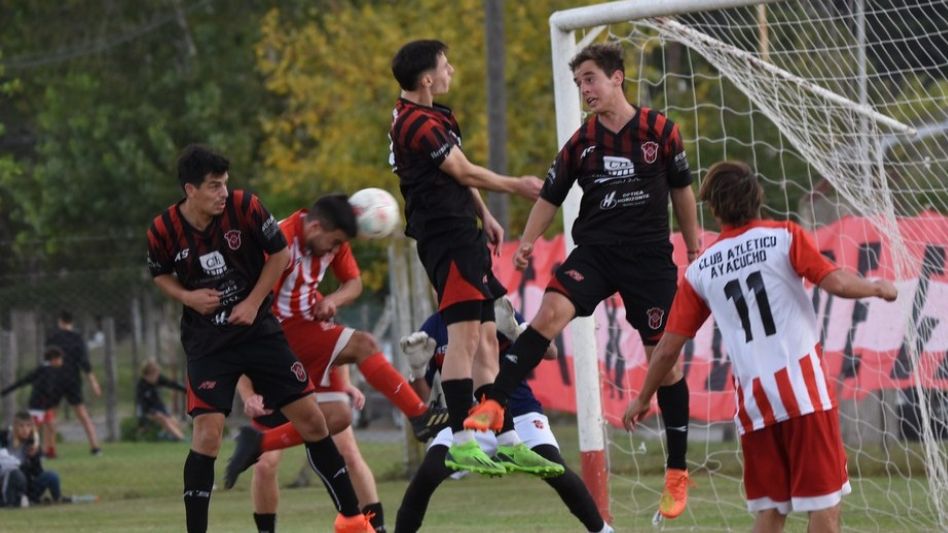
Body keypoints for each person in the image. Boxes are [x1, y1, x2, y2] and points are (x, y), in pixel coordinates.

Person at [465, 42, 700, 518]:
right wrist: (528, 241)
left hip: (649, 260)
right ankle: (492, 403)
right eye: (579, 83)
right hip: (594, 253)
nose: (585, 89)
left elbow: (682, 191)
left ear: (617, 78)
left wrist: (693, 247)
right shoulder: (582, 141)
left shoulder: (660, 131)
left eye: (590, 79)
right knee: (551, 311)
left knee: (666, 364)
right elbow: (550, 194)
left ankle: (676, 472)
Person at [623, 161, 899, 532]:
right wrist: (878, 288)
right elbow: (838, 284)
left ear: (715, 209)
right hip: (803, 396)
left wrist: (643, 398)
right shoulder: (785, 236)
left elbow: (668, 348)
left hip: (755, 405)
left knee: (771, 512)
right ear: (758, 197)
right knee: (825, 508)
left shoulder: (701, 269)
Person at [146, 144, 373, 533]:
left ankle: (352, 520)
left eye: (225, 184)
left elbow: (279, 255)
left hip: (260, 334)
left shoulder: (246, 207)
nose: (223, 193)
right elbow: (159, 273)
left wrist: (252, 303)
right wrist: (186, 296)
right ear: (190, 190)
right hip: (208, 343)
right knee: (208, 435)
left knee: (313, 423)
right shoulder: (163, 229)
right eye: (214, 186)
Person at [389, 39, 558, 477]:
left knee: (488, 338)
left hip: (466, 231)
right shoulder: (413, 124)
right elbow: (463, 171)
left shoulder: (439, 116)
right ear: (426, 79)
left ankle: (506, 439)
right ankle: (463, 442)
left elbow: (460, 172)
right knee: (463, 339)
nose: (451, 71)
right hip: (445, 238)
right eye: (445, 66)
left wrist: (485, 214)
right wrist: (517, 185)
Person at [223, 194, 449, 493]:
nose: (337, 249)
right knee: (364, 345)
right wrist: (253, 376)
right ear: (315, 227)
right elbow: (259, 305)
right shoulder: (280, 242)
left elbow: (354, 283)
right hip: (281, 335)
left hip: (308, 327)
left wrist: (332, 300)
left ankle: (258, 442)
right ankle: (420, 416)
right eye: (336, 242)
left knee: (337, 417)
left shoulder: (329, 236)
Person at [395, 302, 614, 533]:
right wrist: (417, 370)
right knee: (428, 473)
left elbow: (551, 352)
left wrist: (519, 333)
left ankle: (602, 530)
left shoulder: (495, 308)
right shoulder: (435, 326)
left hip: (518, 411)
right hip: (466, 420)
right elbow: (422, 400)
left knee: (556, 469)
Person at [238, 365, 386, 533]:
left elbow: (338, 346)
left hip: (318, 392)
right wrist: (248, 395)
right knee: (264, 465)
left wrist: (343, 383)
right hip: (276, 394)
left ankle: (377, 528)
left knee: (348, 453)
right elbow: (244, 353)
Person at [45, 311, 102, 456]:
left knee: (51, 415)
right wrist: (93, 382)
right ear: (71, 322)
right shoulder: (77, 338)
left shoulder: (53, 337)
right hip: (72, 380)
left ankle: (50, 449)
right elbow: (84, 362)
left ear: (60, 321)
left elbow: (46, 360)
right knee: (83, 414)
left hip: (55, 379)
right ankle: (95, 447)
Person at [0, 346, 66, 455]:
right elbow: (30, 383)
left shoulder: (47, 370)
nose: (62, 362)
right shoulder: (45, 370)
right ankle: (25, 449)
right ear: (54, 359)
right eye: (60, 359)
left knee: (51, 426)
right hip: (38, 406)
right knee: (31, 430)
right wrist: (5, 391)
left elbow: (23, 381)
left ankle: (50, 451)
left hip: (46, 406)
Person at [0, 411, 62, 504]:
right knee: (16, 474)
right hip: (7, 483)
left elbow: (38, 473)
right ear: (15, 426)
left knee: (52, 476)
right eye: (22, 426)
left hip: (27, 486)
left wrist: (34, 457)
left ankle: (57, 499)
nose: (25, 430)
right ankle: (14, 500)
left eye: (28, 426)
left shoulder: (32, 443)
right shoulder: (4, 438)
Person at [136, 358, 187, 441]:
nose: (157, 377)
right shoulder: (141, 386)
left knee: (174, 422)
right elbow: (141, 405)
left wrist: (186, 390)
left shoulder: (158, 379)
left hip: (159, 407)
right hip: (148, 410)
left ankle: (165, 435)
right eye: (155, 375)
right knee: (163, 419)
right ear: (147, 375)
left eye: (157, 374)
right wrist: (142, 423)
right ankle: (182, 439)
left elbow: (172, 384)